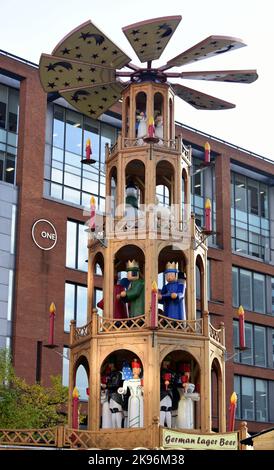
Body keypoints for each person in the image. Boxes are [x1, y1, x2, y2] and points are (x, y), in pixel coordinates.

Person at [118, 358, 144, 428]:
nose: (135, 370)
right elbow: (124, 390)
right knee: (131, 415)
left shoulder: (142, 380)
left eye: (137, 368)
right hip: (131, 399)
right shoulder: (127, 381)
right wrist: (121, 390)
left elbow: (145, 391)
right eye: (134, 369)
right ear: (132, 370)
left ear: (140, 370)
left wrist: (143, 389)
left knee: (140, 416)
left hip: (140, 399)